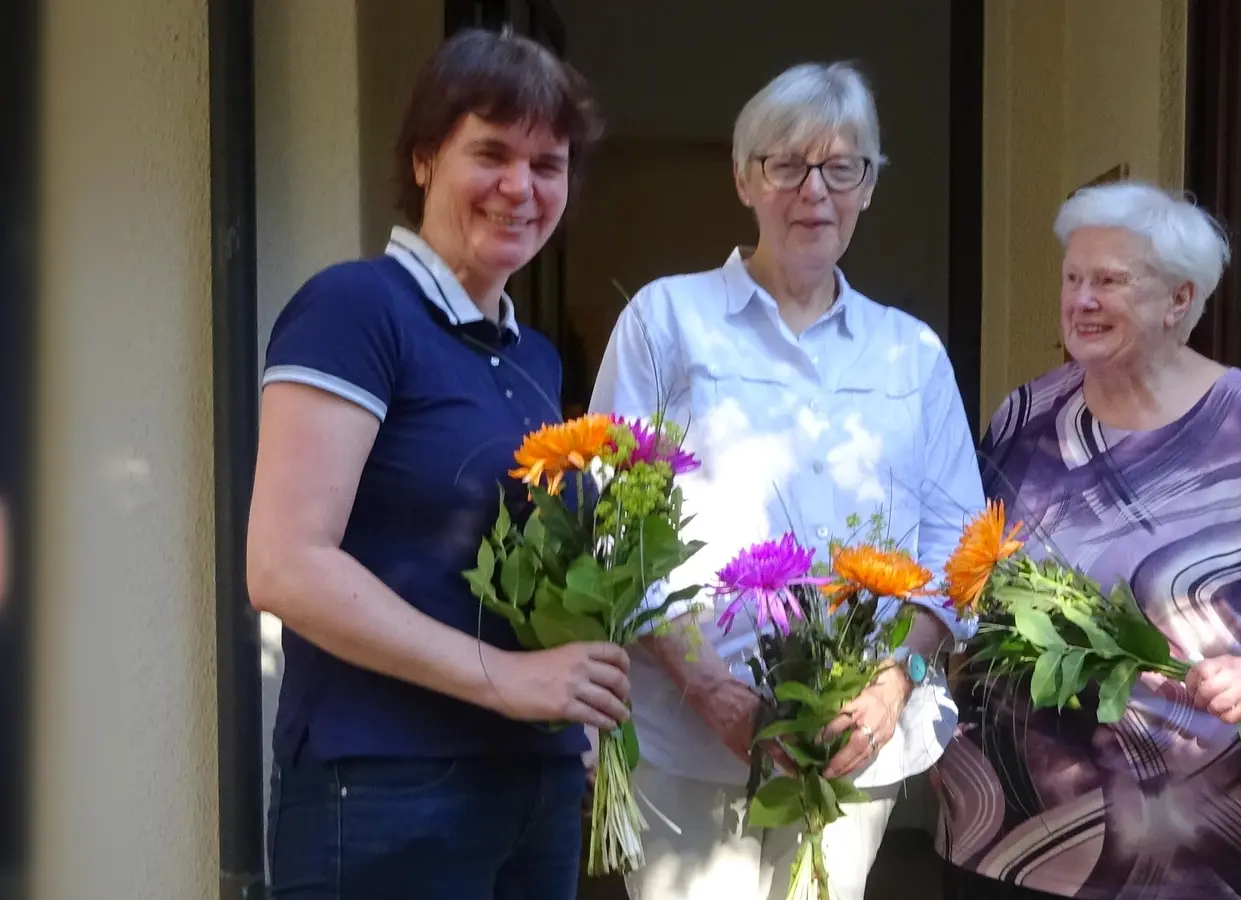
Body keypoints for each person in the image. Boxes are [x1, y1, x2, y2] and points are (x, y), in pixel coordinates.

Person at [931, 181, 1241, 899]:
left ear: (1178, 300)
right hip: (1010, 829)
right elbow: (963, 558)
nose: (1081, 300)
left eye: (1109, 280)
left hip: (1210, 836)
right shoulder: (1028, 415)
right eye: (1073, 278)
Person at [589, 61, 985, 900]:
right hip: (690, 740)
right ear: (743, 177)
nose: (816, 191)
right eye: (786, 164)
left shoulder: (909, 354)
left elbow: (957, 545)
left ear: (869, 186)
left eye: (843, 167)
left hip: (855, 739)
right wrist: (706, 688)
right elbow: (616, 521)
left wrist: (895, 683)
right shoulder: (666, 321)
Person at [246, 28, 625, 900]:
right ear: (423, 160)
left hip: (530, 788)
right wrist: (508, 678)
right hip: (384, 788)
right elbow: (284, 565)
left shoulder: (533, 359)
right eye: (490, 152)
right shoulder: (356, 308)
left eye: (548, 164)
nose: (520, 188)